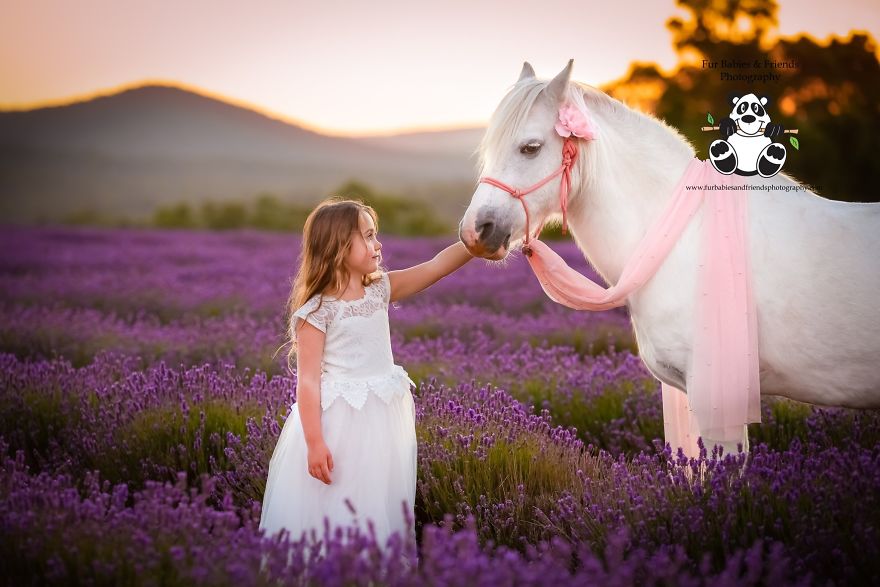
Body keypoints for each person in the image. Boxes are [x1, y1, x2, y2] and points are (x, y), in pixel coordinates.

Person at [259, 197, 474, 557]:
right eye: (368, 236)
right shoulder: (316, 312)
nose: (378, 245)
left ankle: (372, 569)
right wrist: (314, 442)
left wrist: (475, 244)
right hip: (340, 424)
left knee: (378, 499)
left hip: (381, 417)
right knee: (341, 501)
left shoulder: (380, 290)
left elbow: (435, 266)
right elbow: (308, 382)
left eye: (375, 235)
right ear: (338, 246)